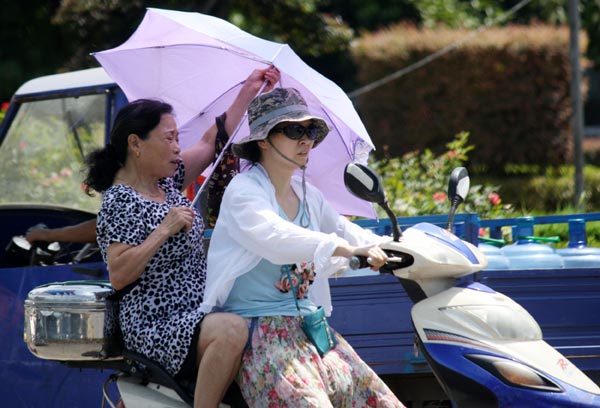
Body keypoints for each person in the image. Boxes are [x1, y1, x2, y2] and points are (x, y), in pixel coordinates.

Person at [83, 66, 280, 408]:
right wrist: (164, 230)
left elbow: (211, 141)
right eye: (169, 138)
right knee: (232, 329)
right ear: (136, 144)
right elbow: (119, 275)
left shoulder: (167, 182)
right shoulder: (120, 201)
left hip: (196, 314)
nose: (177, 147)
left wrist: (250, 89)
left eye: (177, 137)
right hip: (157, 326)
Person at [203, 87, 406, 407]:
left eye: (311, 130)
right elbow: (274, 237)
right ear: (263, 140)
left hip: (313, 332)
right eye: (294, 130)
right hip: (262, 334)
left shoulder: (309, 194)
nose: (306, 140)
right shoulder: (244, 191)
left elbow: (347, 231)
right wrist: (343, 249)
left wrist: (396, 245)